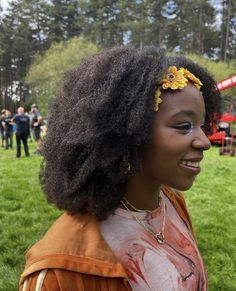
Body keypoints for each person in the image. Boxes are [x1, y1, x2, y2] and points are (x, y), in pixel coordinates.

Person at [19, 47, 221, 291]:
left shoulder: (171, 203)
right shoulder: (60, 271)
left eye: (200, 124)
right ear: (128, 134)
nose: (205, 141)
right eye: (183, 126)